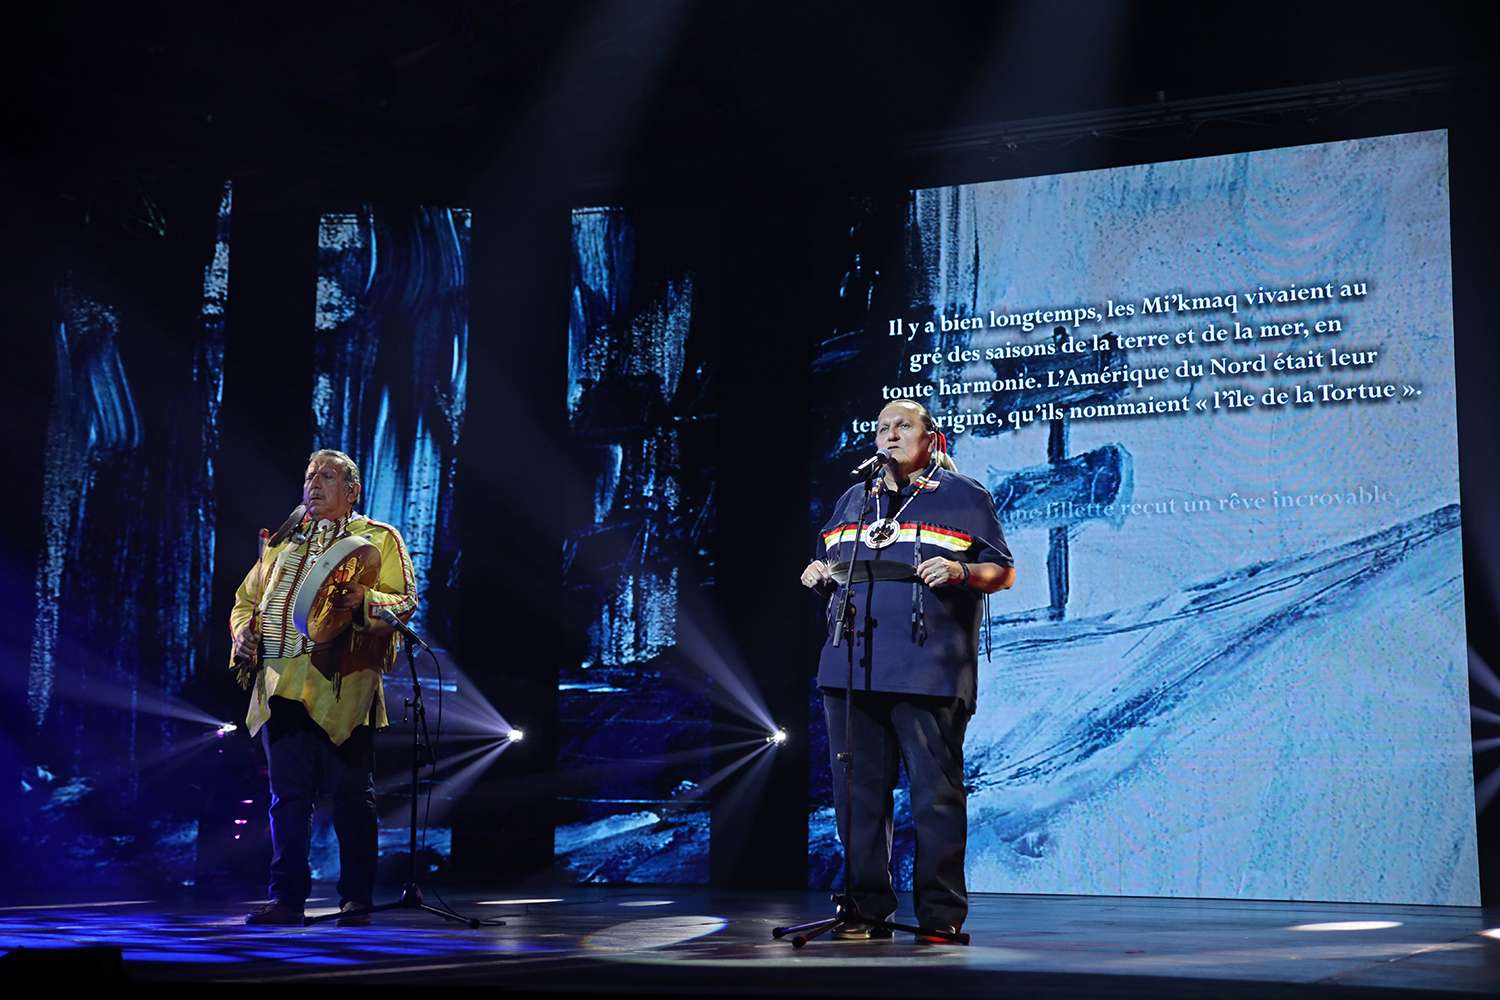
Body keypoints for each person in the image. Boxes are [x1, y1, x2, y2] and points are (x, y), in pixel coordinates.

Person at [800, 400, 1015, 942]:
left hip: (927, 670)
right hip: (850, 668)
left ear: (930, 436)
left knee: (934, 796)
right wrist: (817, 570)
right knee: (857, 795)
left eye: (902, 426)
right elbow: (831, 560)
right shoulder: (855, 499)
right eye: (881, 428)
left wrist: (960, 569)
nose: (889, 435)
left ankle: (941, 917)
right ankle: (865, 909)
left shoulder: (964, 495)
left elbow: (1003, 572)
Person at [230, 449, 418, 927]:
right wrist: (242, 633)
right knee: (288, 799)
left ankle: (356, 898)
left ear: (352, 491)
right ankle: (287, 899)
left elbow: (406, 602)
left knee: (354, 799)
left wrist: (366, 600)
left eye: (327, 476)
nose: (313, 484)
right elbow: (245, 600)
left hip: (344, 689)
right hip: (281, 684)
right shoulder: (282, 544)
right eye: (309, 475)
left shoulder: (378, 539)